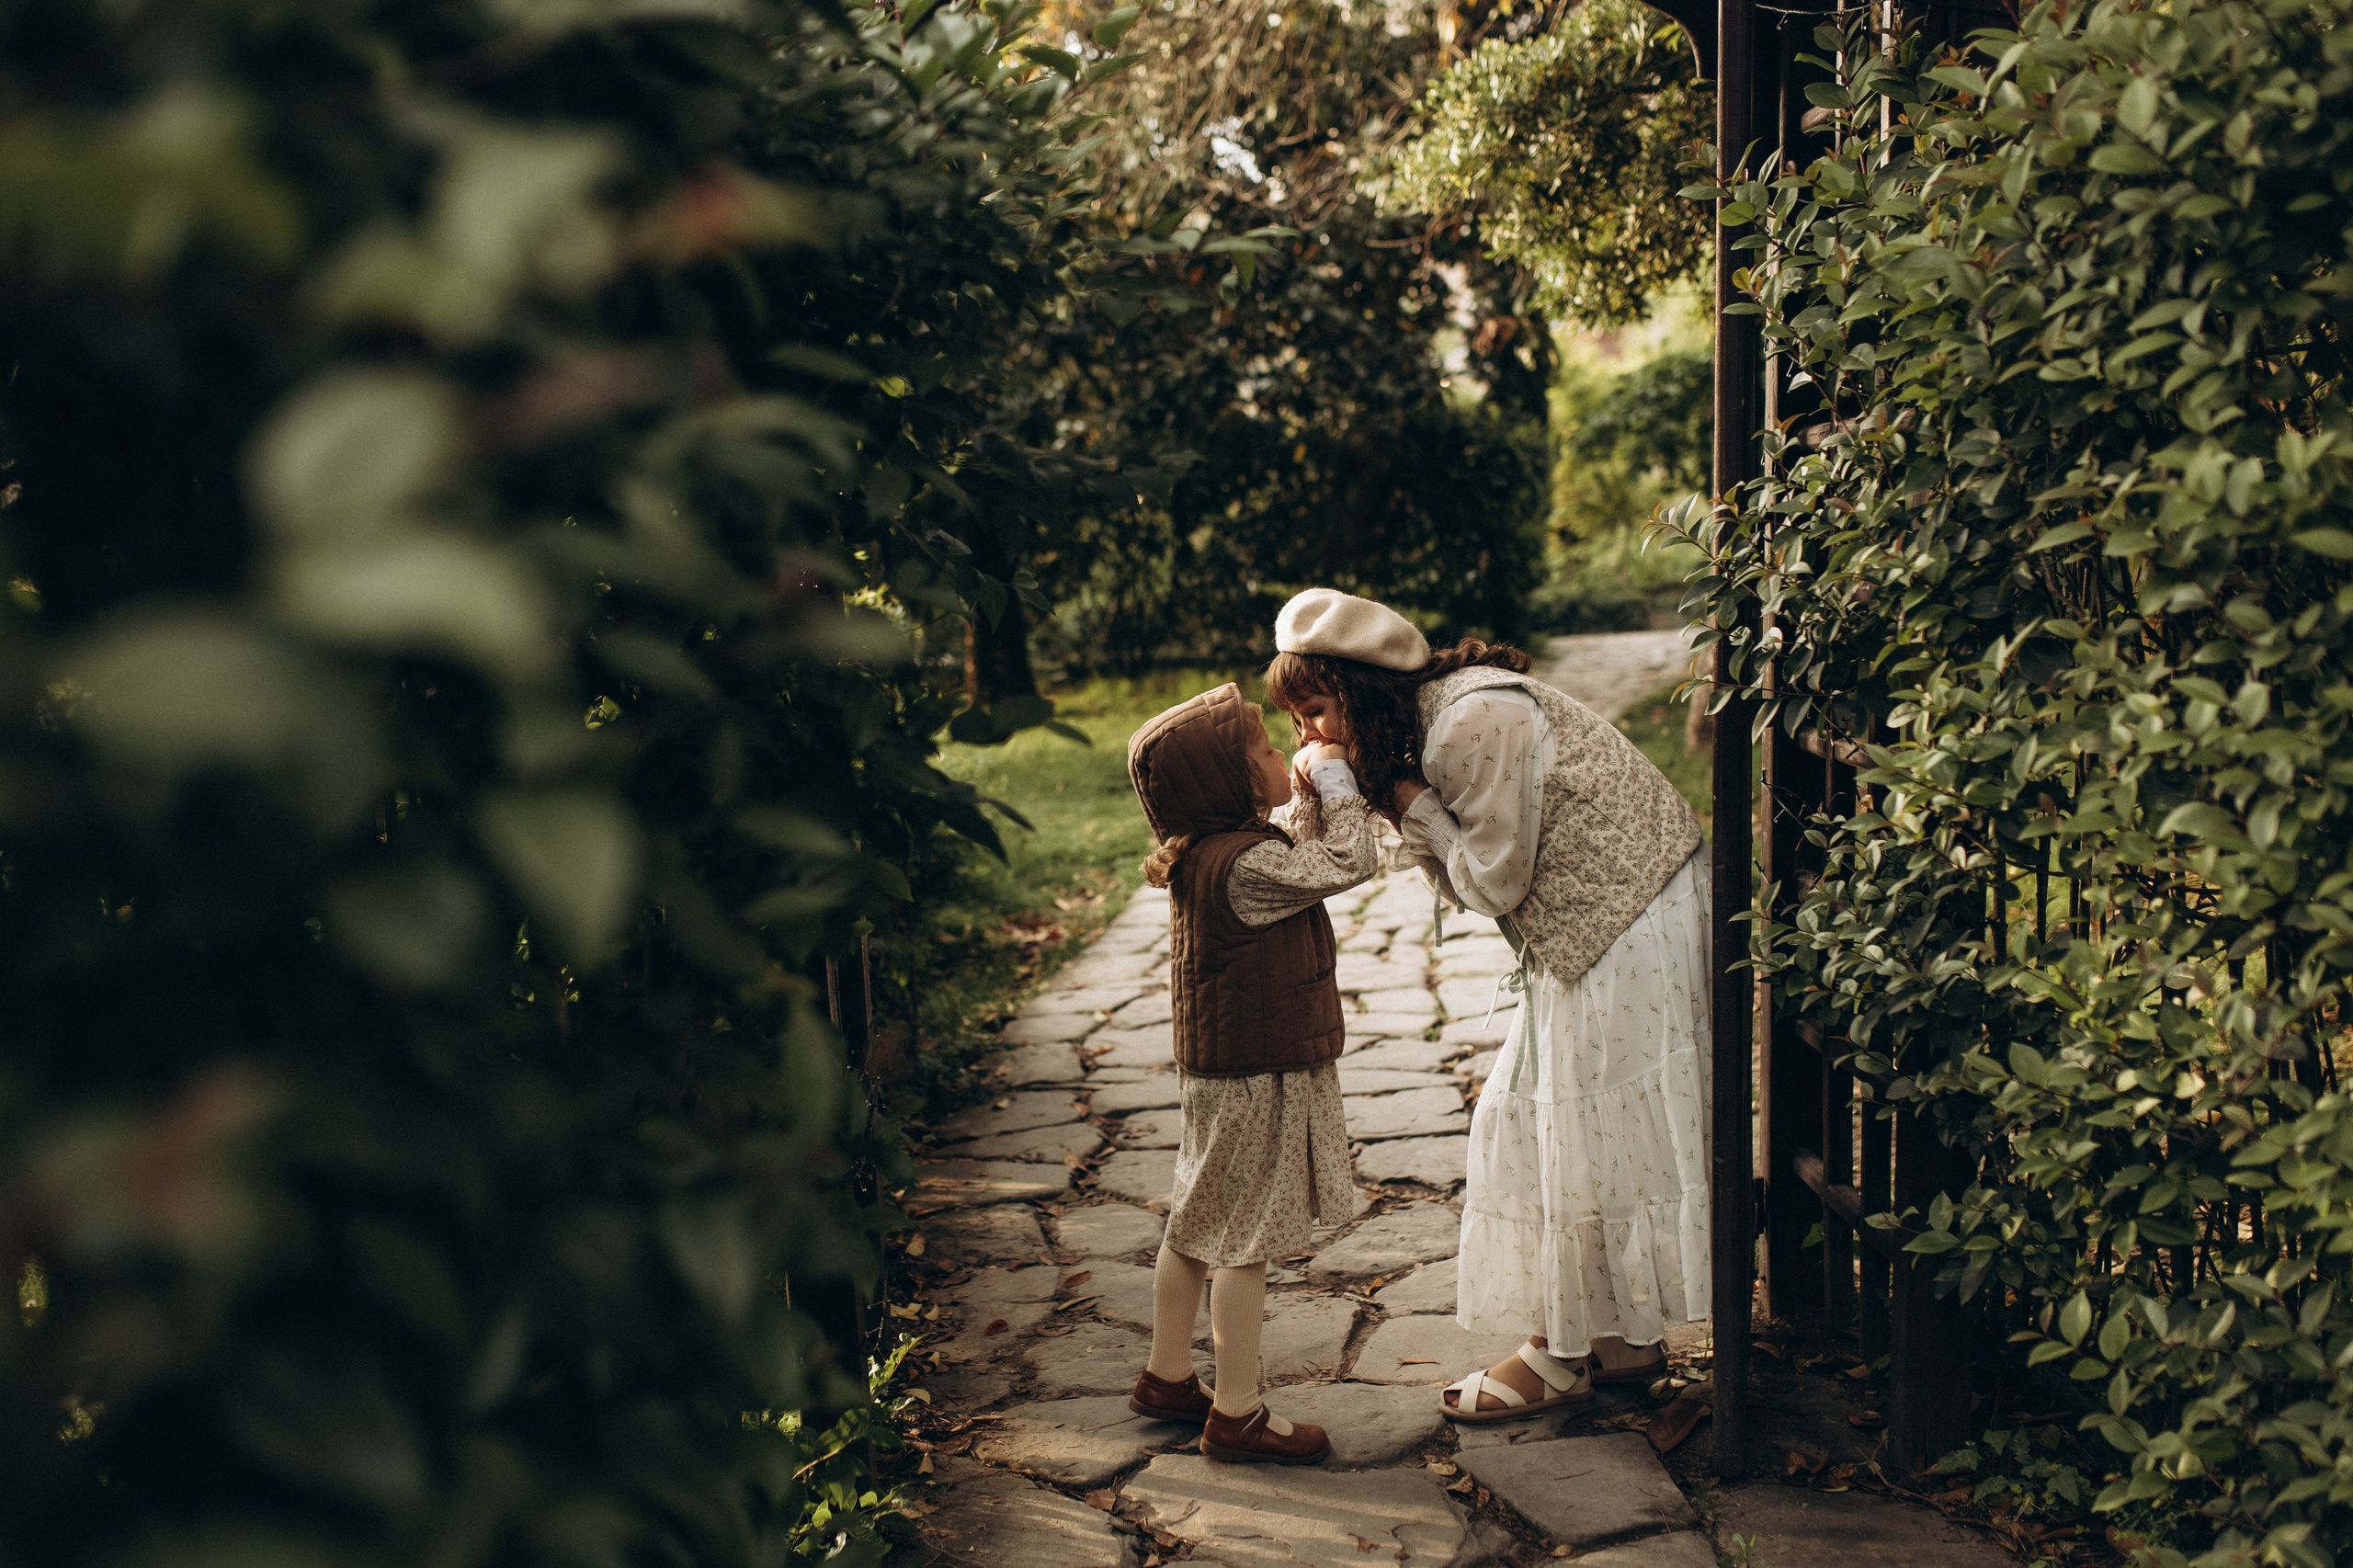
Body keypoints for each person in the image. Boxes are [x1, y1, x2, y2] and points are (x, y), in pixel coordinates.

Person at [1265, 589, 1711, 1423]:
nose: (1309, 737)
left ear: (1357, 689)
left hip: (1633, 915)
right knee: (1556, 1125)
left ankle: (1560, 1354)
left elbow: (1493, 881)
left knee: (1563, 1127)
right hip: (1594, 924)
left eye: (1316, 712)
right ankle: (1615, 1343)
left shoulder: (1471, 724)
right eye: (1296, 722)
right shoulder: (1435, 726)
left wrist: (1408, 808)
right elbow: (1474, 876)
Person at [1121, 682, 1381, 1463]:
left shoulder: (1219, 853)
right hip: (1257, 1073)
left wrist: (1298, 795)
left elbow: (1295, 857)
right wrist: (1334, 778)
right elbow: (1348, 859)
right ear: (1230, 786)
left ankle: (1167, 1376)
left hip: (1219, 1069)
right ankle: (1237, 1413)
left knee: (1197, 1220)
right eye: (1266, 752)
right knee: (1244, 1237)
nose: (1283, 755)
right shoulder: (1247, 865)